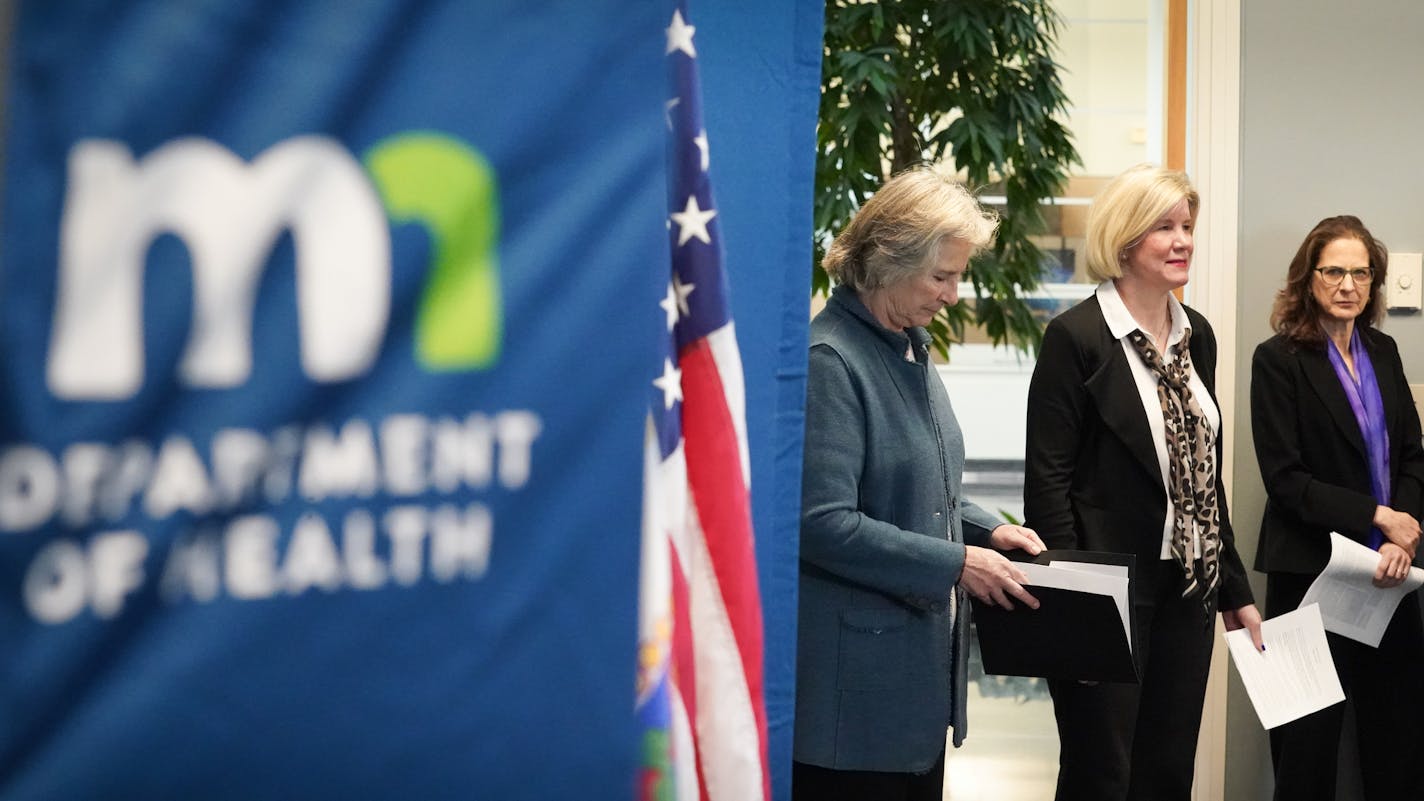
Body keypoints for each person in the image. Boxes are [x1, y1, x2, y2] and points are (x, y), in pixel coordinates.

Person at [794, 164, 1045, 801]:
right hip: (852, 710)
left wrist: (994, 530)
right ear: (885, 261)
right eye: (942, 276)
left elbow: (930, 484)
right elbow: (823, 524)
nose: (954, 295)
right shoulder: (831, 359)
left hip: (910, 691)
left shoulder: (908, 342)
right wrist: (961, 562)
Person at [1023, 163, 1264, 801]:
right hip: (1107, 590)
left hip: (1190, 587)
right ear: (1126, 239)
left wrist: (1234, 588)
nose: (1184, 240)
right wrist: (1076, 596)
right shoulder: (1075, 337)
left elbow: (1201, 480)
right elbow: (1048, 484)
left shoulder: (1197, 335)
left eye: (1188, 226)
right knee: (1102, 773)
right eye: (1165, 227)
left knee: (1166, 771)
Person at [1250, 215, 1424, 801]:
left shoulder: (1385, 349)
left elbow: (1413, 458)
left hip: (1390, 579)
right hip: (1310, 578)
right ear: (1308, 278)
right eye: (1333, 272)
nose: (1348, 284)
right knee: (1305, 752)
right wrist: (1378, 517)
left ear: (1374, 282)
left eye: (1361, 272)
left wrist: (1402, 537)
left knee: (1398, 748)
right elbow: (1286, 480)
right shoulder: (1276, 360)